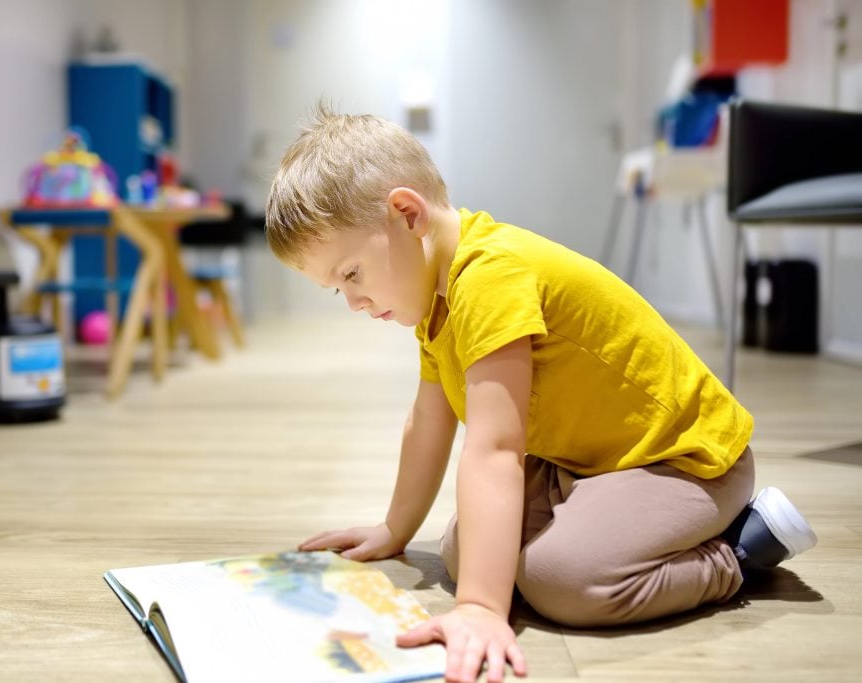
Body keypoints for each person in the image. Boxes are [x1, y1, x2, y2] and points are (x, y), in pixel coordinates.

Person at [264, 105, 818, 683]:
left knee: (565, 582)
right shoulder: (434, 298)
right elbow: (428, 420)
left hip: (687, 462)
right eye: (336, 290)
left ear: (407, 214)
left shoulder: (489, 277)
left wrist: (480, 610)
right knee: (462, 549)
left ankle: (737, 551)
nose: (353, 302)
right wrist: (394, 530)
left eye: (351, 274)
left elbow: (496, 450)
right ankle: (611, 537)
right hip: (590, 465)